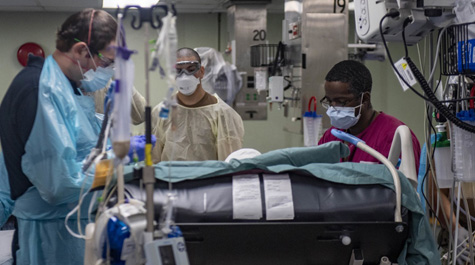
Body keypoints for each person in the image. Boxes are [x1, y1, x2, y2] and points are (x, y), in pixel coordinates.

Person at [0, 9, 117, 265]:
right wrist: (114, 168)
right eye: (105, 62)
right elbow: (59, 185)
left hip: (70, 226)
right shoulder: (40, 90)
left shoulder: (66, 87)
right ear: (80, 51)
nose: (107, 71)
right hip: (51, 236)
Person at [318, 60, 421, 170]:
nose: (333, 108)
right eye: (329, 101)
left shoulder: (394, 136)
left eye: (342, 101)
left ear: (365, 99)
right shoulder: (331, 136)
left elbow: (406, 184)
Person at [151, 47, 244, 162]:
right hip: (171, 179)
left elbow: (229, 164)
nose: (184, 76)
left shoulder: (224, 115)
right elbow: (153, 161)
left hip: (209, 179)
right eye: (178, 70)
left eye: (191, 69)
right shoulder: (161, 112)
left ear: (201, 71)